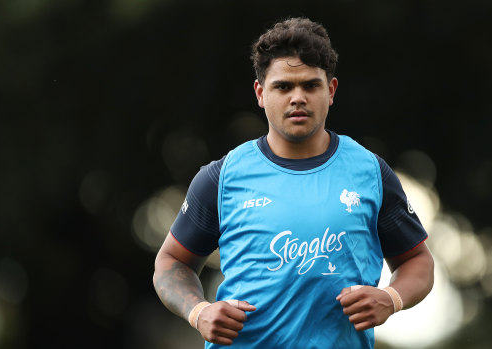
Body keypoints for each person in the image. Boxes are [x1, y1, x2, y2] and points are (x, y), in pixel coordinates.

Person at [153, 17, 434, 348]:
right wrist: (199, 312)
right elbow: (170, 262)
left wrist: (392, 298)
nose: (297, 97)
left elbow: (418, 261)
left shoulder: (370, 172)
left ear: (330, 91)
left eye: (311, 85)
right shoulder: (221, 177)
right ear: (260, 93)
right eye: (283, 86)